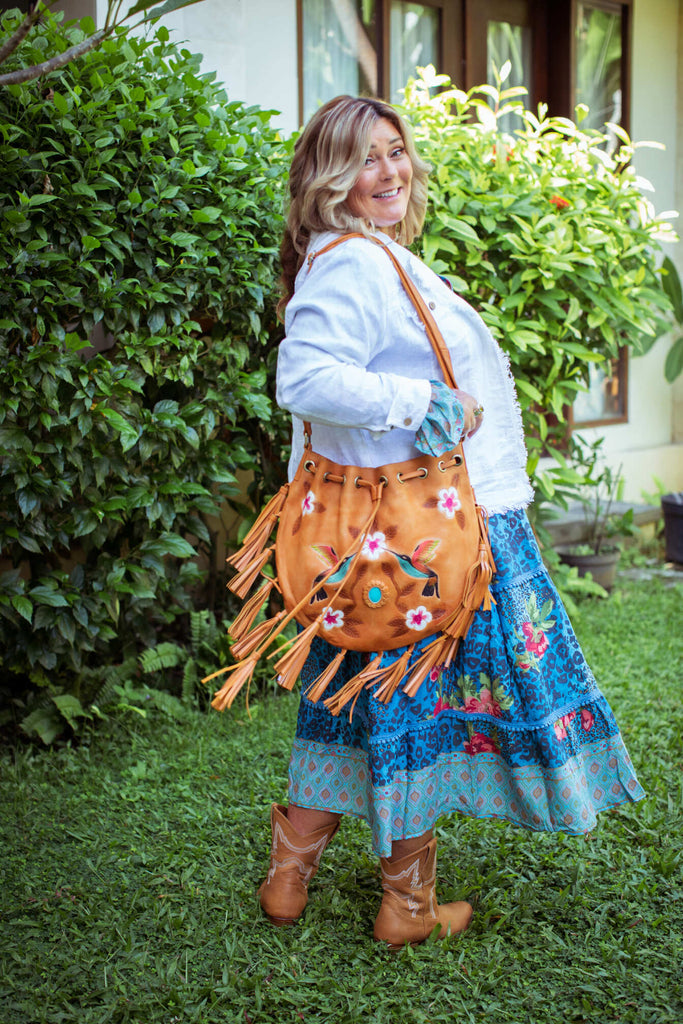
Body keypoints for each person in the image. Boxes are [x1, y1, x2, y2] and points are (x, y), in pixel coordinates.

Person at [256, 95, 645, 949]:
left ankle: (289, 877)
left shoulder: (359, 255)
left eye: (395, 151)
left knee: (350, 701)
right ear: (329, 178)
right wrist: (425, 401)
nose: (389, 171)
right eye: (366, 158)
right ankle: (406, 907)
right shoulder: (356, 264)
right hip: (424, 532)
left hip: (386, 535)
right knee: (410, 703)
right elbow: (304, 379)